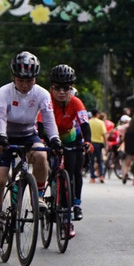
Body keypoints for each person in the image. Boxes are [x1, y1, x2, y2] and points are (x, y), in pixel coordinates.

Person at [0, 51, 61, 245]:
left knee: (42, 157)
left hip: (28, 133)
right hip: (3, 134)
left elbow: (49, 120)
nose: (26, 85)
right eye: (21, 81)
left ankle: (40, 196)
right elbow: (0, 117)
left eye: (30, 80)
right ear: (14, 78)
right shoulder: (3, 92)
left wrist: (54, 139)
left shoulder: (42, 93)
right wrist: (2, 137)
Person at [47, 65, 91, 226]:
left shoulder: (76, 102)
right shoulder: (47, 100)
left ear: (71, 88)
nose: (61, 92)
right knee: (50, 169)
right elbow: (39, 125)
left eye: (66, 88)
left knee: (73, 171)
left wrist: (88, 142)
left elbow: (85, 124)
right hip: (49, 135)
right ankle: (50, 197)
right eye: (57, 88)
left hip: (69, 137)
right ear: (51, 88)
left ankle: (76, 203)